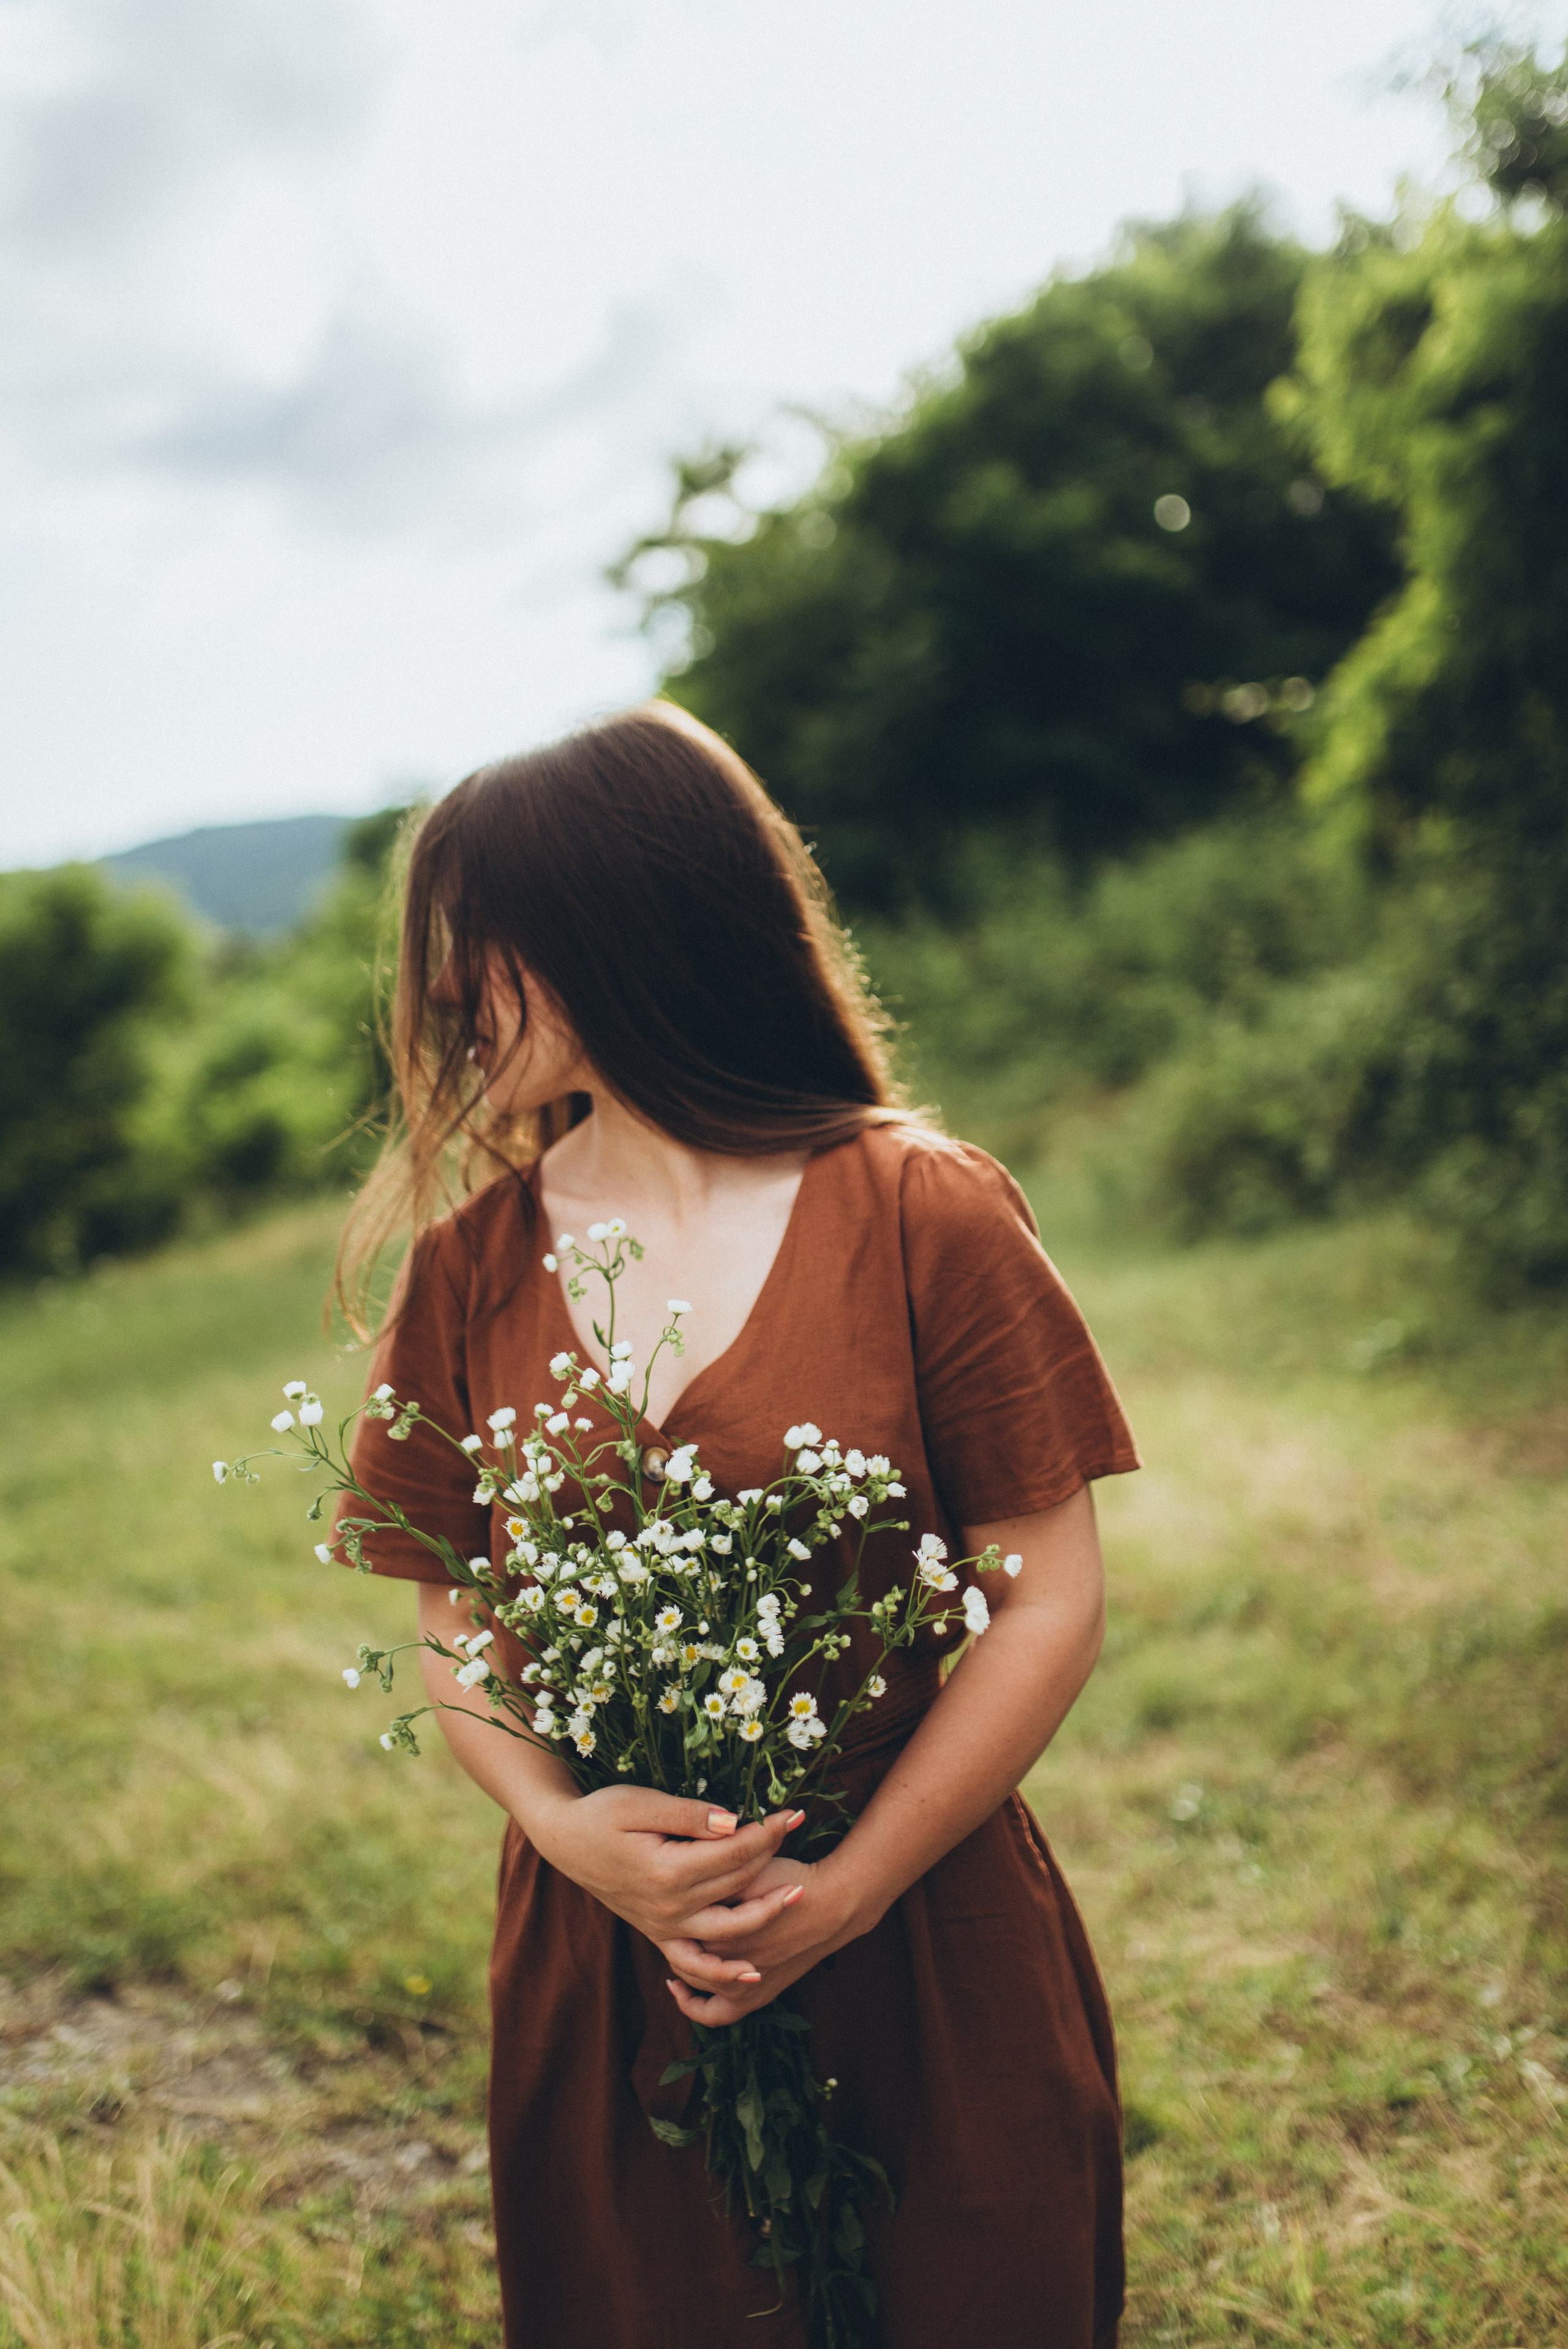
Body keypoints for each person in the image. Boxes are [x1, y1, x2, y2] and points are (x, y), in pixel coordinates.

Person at [336, 702, 1140, 2349]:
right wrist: (569, 1832)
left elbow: (1045, 1592)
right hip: (616, 1958)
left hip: (926, 1937)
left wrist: (844, 1890)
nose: (441, 995)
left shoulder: (923, 1207)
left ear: (629, 924)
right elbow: (449, 1614)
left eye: (480, 945)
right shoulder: (468, 1266)